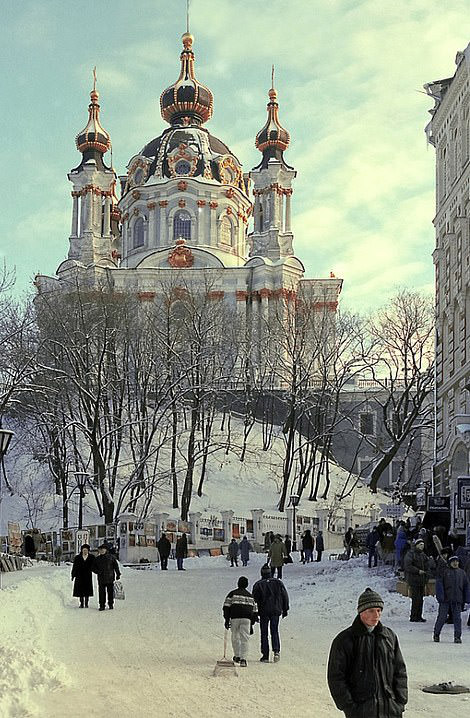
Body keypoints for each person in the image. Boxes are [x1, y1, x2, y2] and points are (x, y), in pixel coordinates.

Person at [327, 587, 408, 718]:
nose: (376, 615)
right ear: (361, 612)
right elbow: (336, 677)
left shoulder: (389, 637)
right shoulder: (345, 640)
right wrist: (349, 707)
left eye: (379, 610)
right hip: (361, 711)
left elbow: (400, 672)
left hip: (390, 710)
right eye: (371, 611)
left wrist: (400, 702)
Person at [252, 564, 289, 663]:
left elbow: (254, 601)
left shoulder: (258, 585)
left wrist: (254, 614)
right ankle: (276, 651)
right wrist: (285, 609)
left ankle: (265, 655)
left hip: (263, 612)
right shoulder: (278, 583)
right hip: (276, 611)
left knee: (264, 633)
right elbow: (285, 596)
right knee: (274, 631)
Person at [433, 555, 470, 644]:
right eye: (453, 561)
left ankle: (457, 636)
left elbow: (466, 586)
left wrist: (467, 598)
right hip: (445, 599)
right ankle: (436, 634)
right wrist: (441, 597)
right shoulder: (444, 572)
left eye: (457, 561)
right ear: (450, 563)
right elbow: (439, 584)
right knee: (442, 617)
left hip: (457, 599)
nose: (455, 563)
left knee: (457, 619)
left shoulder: (462, 573)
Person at [223, 576, 258, 667]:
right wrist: (252, 624)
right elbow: (255, 611)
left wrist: (226, 619)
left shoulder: (232, 594)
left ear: (238, 583)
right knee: (245, 639)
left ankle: (237, 656)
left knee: (235, 637)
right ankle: (243, 659)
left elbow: (226, 607)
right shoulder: (250, 596)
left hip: (235, 617)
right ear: (247, 585)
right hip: (247, 619)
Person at [403, 538, 433, 622]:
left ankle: (419, 616)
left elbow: (427, 566)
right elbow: (408, 565)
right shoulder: (411, 554)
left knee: (420, 599)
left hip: (422, 580)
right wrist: (417, 571)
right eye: (420, 545)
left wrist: (427, 573)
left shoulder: (423, 555)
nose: (422, 546)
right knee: (416, 598)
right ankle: (414, 616)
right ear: (416, 545)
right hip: (414, 580)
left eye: (423, 545)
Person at [93, 543, 121, 611]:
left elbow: (116, 566)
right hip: (101, 578)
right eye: (100, 550)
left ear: (106, 550)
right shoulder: (97, 559)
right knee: (101, 592)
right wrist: (98, 572)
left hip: (110, 577)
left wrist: (118, 574)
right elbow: (93, 567)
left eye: (103, 549)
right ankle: (102, 605)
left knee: (110, 592)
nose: (102, 551)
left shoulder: (111, 557)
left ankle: (110, 604)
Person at [71, 543, 95, 608]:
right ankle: (81, 603)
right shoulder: (77, 557)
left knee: (87, 590)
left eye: (86, 550)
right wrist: (73, 575)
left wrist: (97, 571)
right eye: (83, 550)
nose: (85, 551)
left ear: (88, 550)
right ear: (81, 550)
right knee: (80, 590)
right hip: (79, 575)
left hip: (88, 576)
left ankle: (86, 603)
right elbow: (74, 567)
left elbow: (94, 566)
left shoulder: (91, 557)